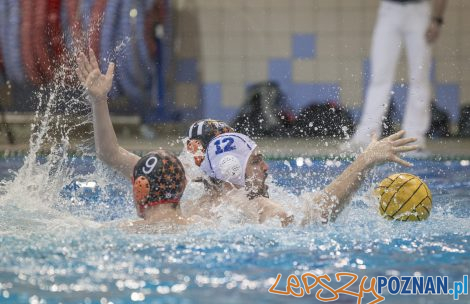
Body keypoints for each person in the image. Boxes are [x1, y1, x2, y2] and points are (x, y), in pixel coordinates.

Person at [200, 130, 418, 225]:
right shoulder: (257, 205)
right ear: (232, 173)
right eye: (255, 162)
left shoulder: (194, 207)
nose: (266, 167)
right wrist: (365, 160)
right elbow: (316, 216)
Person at [76, 49, 191, 227]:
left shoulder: (125, 229)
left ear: (140, 190)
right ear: (183, 185)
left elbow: (109, 153)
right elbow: (111, 154)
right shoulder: (204, 223)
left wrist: (98, 101)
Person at [349, 0, 448, 150]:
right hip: (390, 9)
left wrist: (437, 19)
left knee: (419, 77)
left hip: (419, 11)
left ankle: (414, 137)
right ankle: (366, 135)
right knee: (379, 77)